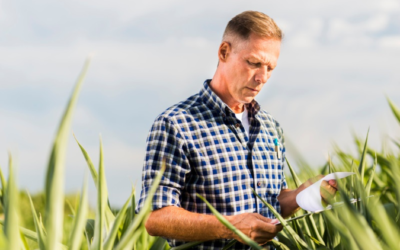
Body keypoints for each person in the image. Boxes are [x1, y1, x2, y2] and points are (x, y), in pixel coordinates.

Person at [136, 10, 337, 250]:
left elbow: (269, 206)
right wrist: (229, 226)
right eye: (254, 63)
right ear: (224, 52)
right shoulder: (176, 124)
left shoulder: (270, 128)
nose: (262, 77)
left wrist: (299, 196)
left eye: (270, 68)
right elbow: (154, 218)